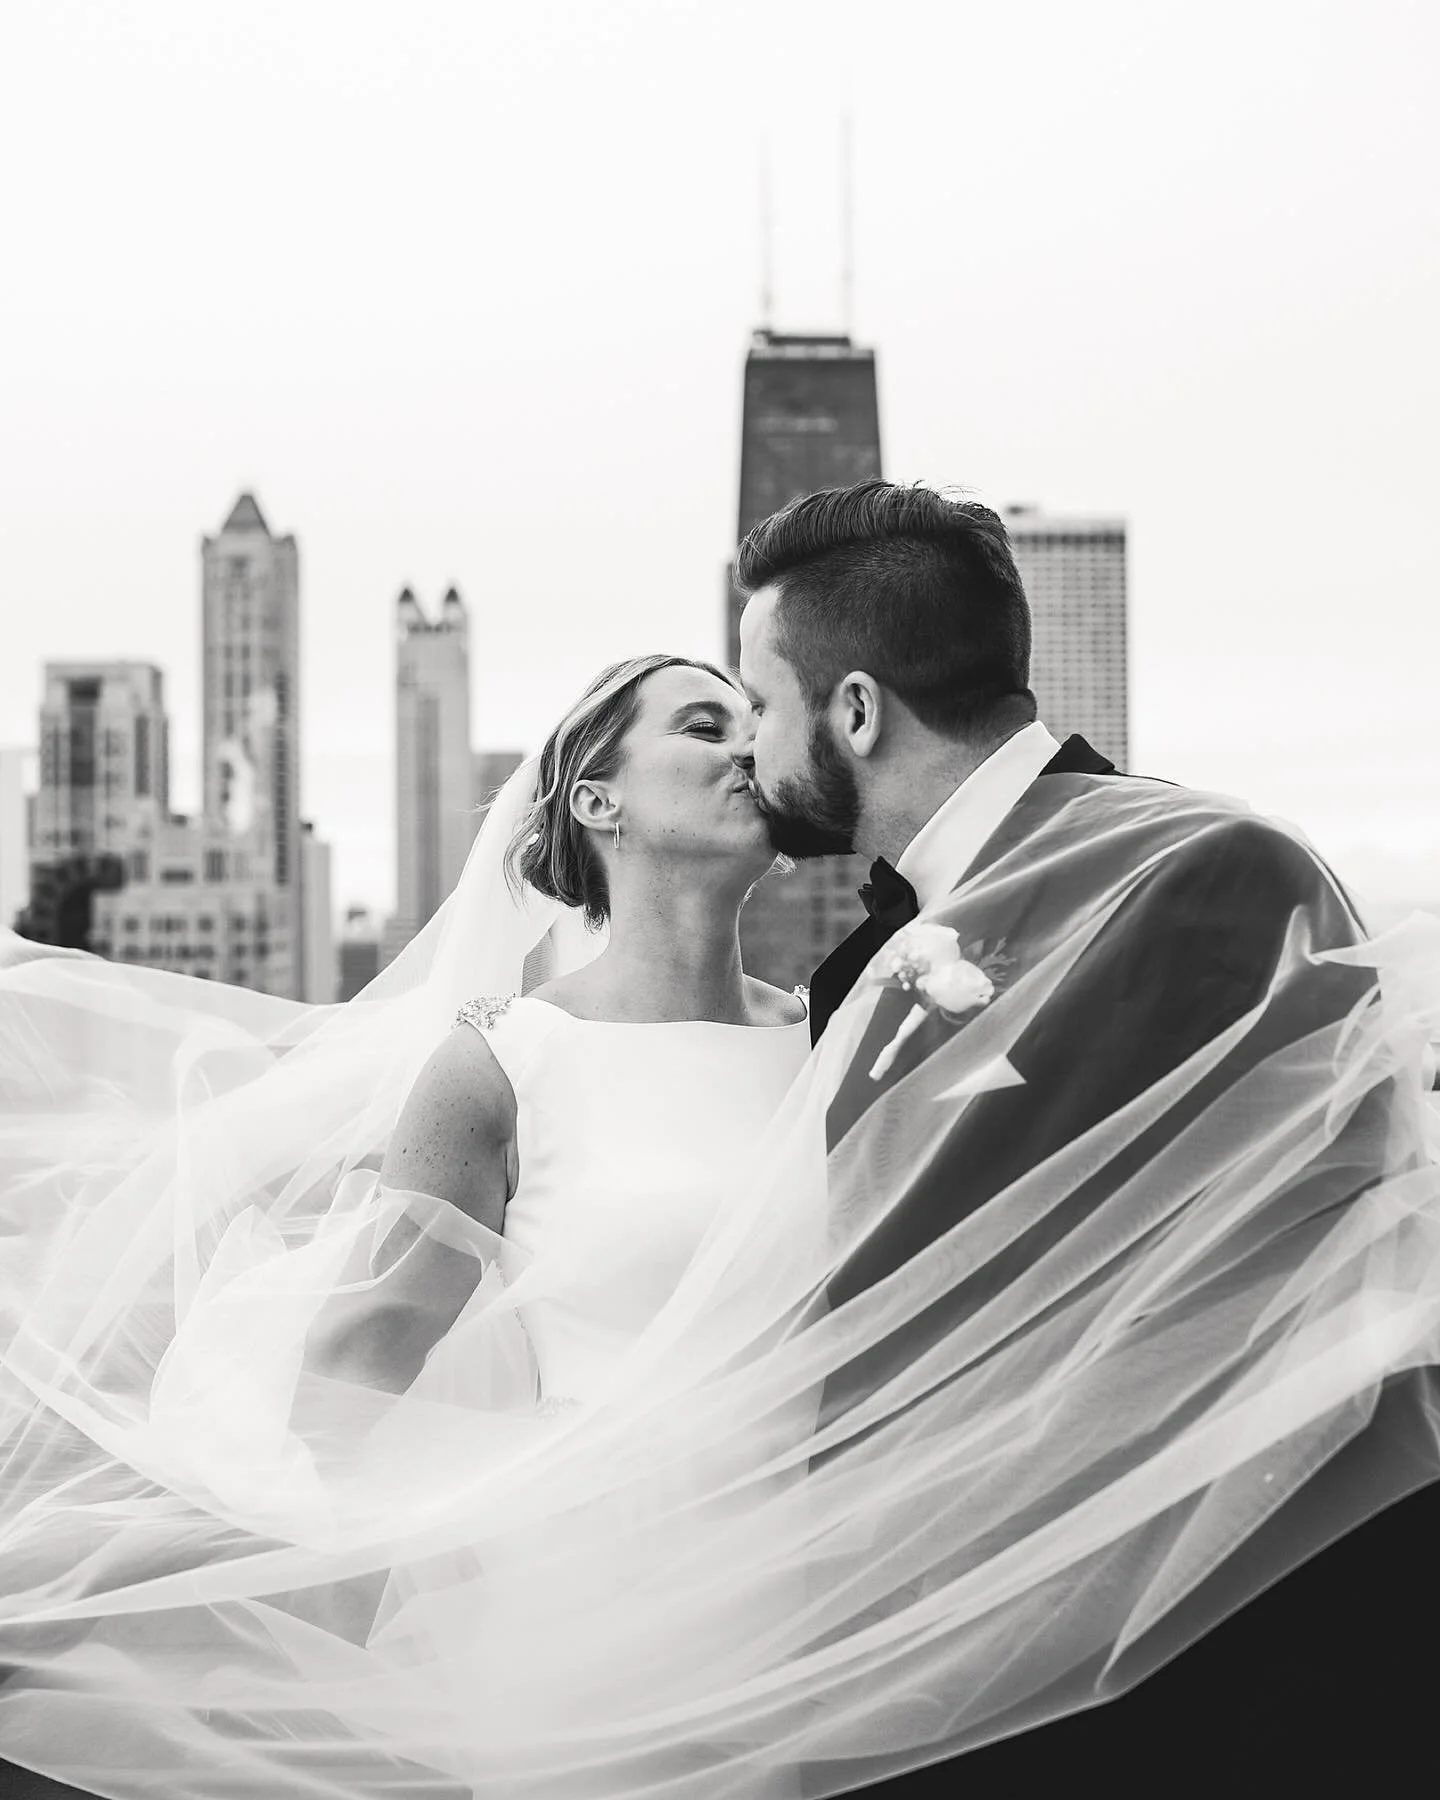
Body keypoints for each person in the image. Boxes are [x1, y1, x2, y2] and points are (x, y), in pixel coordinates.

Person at [3, 533, 1440, 1800]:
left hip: (832, 1598)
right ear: (597, 805)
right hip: (588, 1607)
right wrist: (491, 1530)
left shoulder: (838, 1024)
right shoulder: (505, 1060)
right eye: (713, 719)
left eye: (756, 707)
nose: (753, 740)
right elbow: (354, 1369)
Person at [734, 477, 1440, 1792]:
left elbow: (1336, 1251)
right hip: (946, 1637)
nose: (751, 751)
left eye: (762, 706)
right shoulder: (859, 972)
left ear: (855, 712)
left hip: (1240, 1645)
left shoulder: (1214, 868)